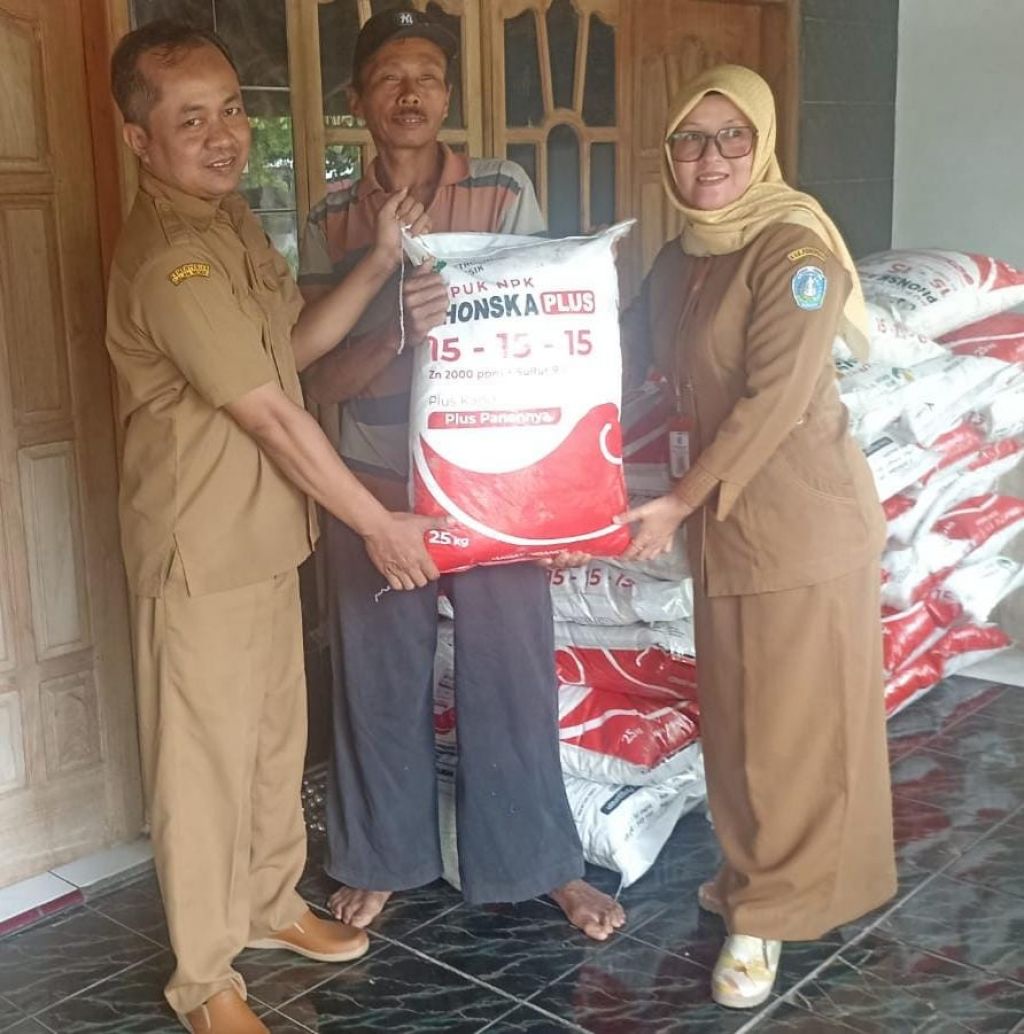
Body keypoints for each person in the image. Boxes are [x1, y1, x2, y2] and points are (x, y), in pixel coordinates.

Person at [106, 21, 446, 1034]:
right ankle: (204, 975)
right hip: (199, 551)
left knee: (267, 743)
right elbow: (271, 414)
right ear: (139, 140)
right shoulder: (171, 258)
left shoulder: (231, 227)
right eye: (191, 120)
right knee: (202, 765)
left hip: (264, 535)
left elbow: (289, 352)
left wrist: (378, 260)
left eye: (230, 112)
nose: (222, 136)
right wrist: (377, 523)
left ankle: (268, 904)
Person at [299, 5, 625, 940]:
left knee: (511, 664)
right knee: (377, 671)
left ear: (448, 96)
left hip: (495, 478)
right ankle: (380, 861)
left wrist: (560, 499)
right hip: (373, 481)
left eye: (428, 78)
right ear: (358, 98)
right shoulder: (329, 217)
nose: (411, 95)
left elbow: (542, 332)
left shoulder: (500, 189)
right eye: (390, 78)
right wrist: (397, 332)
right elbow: (315, 378)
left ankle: (543, 865)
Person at [616, 64, 897, 1008]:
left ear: (764, 144)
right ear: (668, 152)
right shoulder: (679, 260)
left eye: (732, 136)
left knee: (788, 729)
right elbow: (622, 356)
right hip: (725, 528)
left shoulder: (793, 249)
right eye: (691, 139)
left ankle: (769, 914)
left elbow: (774, 398)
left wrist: (678, 500)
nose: (711, 159)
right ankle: (758, 877)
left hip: (800, 525)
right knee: (737, 719)